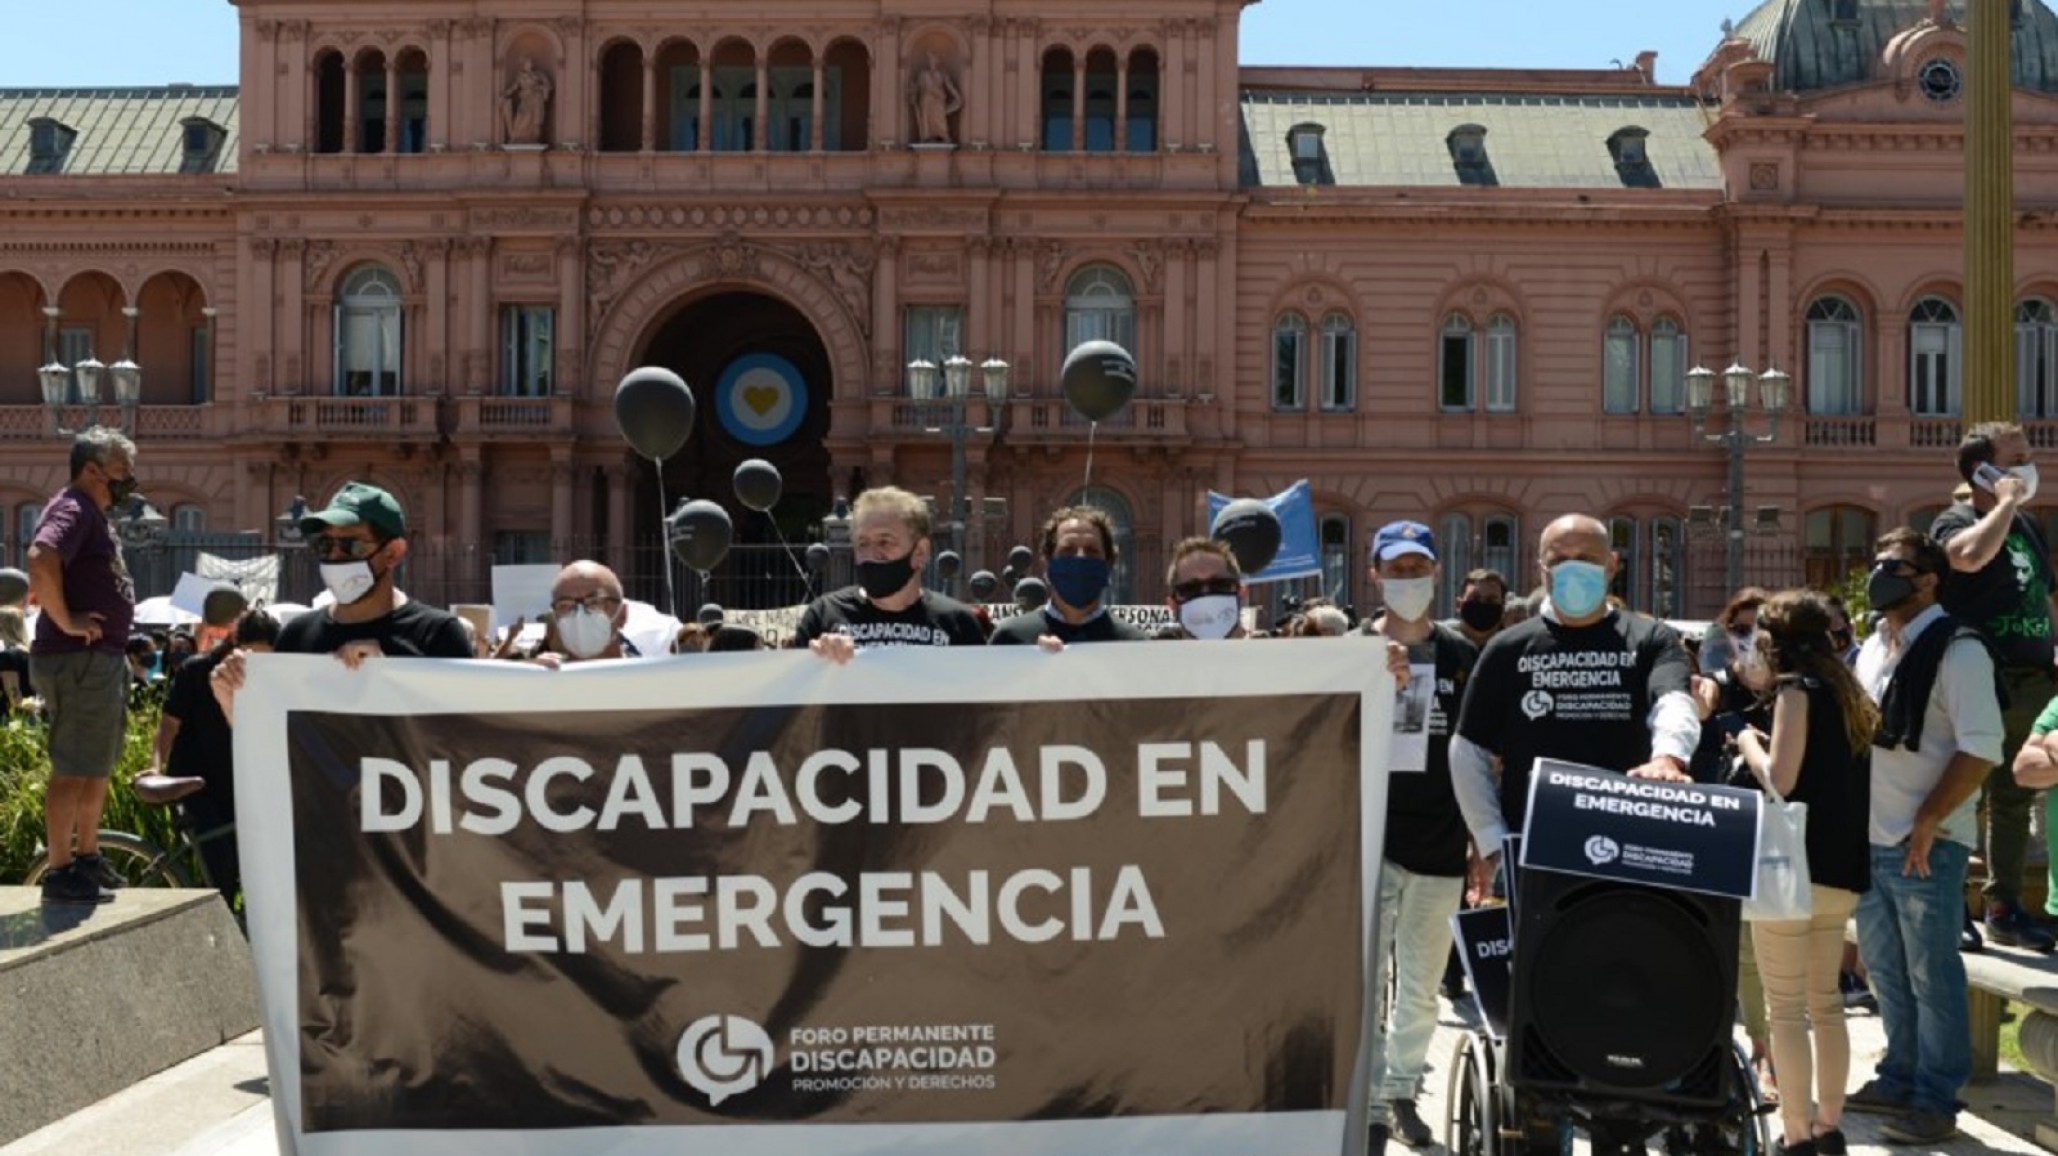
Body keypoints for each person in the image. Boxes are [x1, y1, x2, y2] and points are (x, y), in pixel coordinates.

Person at [1846, 527, 1999, 1145]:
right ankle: (1899, 1073)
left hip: (1926, 844)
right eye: (1877, 560)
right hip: (1872, 835)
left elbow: (1981, 748)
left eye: (1896, 565)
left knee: (1933, 975)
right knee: (1885, 969)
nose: (1881, 572)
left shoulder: (1959, 650)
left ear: (1930, 578)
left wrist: (1930, 820)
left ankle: (1936, 1099)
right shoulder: (1873, 647)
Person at [1451, 514, 1700, 867]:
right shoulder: (1508, 648)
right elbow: (1468, 749)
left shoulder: (1650, 638)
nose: (1572, 569)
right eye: (1559, 561)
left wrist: (1668, 757)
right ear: (1542, 570)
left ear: (1612, 565)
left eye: (1586, 559)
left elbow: (1673, 701)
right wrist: (1492, 839)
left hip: (1633, 842)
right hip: (1534, 848)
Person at [1731, 590, 1876, 1156]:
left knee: (1786, 1009)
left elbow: (1782, 780)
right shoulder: (1849, 691)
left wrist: (1747, 741)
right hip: (1842, 865)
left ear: (1774, 641)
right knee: (1826, 1002)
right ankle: (1828, 1127)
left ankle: (1794, 1135)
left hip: (1791, 866)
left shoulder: (1796, 691)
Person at [1360, 521, 1479, 1149]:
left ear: (1437, 574)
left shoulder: (1463, 655)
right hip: (1369, 842)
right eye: (1396, 569)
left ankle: (1402, 1090)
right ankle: (1372, 1102)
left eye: (1418, 568)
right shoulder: (1353, 648)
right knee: (1367, 982)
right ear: (1374, 574)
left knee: (1423, 985)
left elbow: (1481, 754)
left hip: (1440, 844)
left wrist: (1482, 839)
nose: (1407, 580)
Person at [1928, 422, 2057, 952]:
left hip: (2029, 679)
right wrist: (2001, 505)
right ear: (1982, 469)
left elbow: (2044, 596)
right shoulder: (1955, 520)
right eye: (2017, 458)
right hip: (1981, 675)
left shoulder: (2028, 527)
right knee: (1962, 795)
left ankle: (2003, 907)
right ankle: (1950, 906)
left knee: (2012, 796)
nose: (2029, 465)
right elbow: (1968, 558)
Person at [211, 482, 472, 720]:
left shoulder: (438, 635)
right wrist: (234, 706)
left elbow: (462, 742)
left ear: (392, 553)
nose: (335, 556)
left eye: (351, 545)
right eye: (324, 545)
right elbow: (278, 744)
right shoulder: (296, 636)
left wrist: (389, 677)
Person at [28, 426, 140, 905]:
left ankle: (87, 858)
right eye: (122, 475)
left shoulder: (91, 513)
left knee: (95, 765)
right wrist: (65, 619)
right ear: (93, 470)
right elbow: (40, 556)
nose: (128, 486)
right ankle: (60, 871)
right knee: (74, 767)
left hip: (99, 659)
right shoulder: (72, 508)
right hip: (79, 659)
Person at [152, 607, 280, 905]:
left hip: (238, 784)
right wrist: (154, 767)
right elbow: (169, 724)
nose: (256, 664)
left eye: (265, 657)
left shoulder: (267, 680)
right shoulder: (196, 671)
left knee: (252, 862)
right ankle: (219, 935)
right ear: (235, 646)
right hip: (194, 783)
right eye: (251, 655)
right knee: (220, 862)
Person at [790, 486, 985, 661]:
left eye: (885, 542)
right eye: (862, 544)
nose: (871, 555)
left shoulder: (958, 623)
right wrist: (821, 663)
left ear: (920, 552)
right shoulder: (823, 615)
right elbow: (794, 692)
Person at [990, 506, 1147, 646]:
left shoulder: (1134, 644)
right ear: (1047, 561)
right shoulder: (1010, 638)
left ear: (1109, 563)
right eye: (1068, 550)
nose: (1080, 558)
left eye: (1091, 551)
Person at [534, 560, 637, 667]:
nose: (579, 615)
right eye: (565, 605)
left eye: (595, 602)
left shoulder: (647, 678)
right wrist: (537, 678)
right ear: (554, 618)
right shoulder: (542, 679)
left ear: (623, 615)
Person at [1444, 567, 1509, 651]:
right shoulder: (1440, 641)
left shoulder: (1516, 646)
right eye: (1475, 598)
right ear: (1458, 604)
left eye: (1491, 600)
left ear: (1503, 608)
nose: (1482, 604)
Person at [910, 51, 962, 144]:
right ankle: (926, 137)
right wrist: (913, 93)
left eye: (935, 60)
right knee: (926, 121)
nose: (933, 62)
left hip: (939, 101)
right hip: (926, 101)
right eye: (932, 59)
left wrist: (957, 98)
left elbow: (950, 87)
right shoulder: (924, 74)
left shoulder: (942, 74)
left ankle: (943, 137)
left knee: (940, 122)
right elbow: (917, 88)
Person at [500, 56, 553, 145]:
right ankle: (519, 136)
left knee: (533, 117)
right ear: (524, 65)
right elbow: (514, 87)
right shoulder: (521, 76)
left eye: (531, 63)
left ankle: (533, 136)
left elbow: (549, 86)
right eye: (527, 63)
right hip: (525, 99)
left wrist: (538, 88)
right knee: (522, 116)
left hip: (536, 99)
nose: (530, 65)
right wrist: (505, 94)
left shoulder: (539, 75)